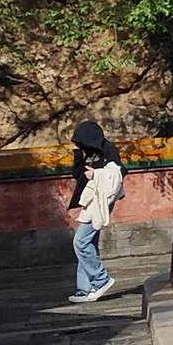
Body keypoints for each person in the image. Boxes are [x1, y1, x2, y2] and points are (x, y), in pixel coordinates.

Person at [68, 119, 124, 304]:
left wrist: (96, 175)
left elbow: (117, 174)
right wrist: (78, 156)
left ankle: (101, 279)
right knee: (88, 243)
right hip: (90, 202)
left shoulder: (108, 149)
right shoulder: (88, 152)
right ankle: (85, 288)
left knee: (80, 242)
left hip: (101, 202)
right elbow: (78, 175)